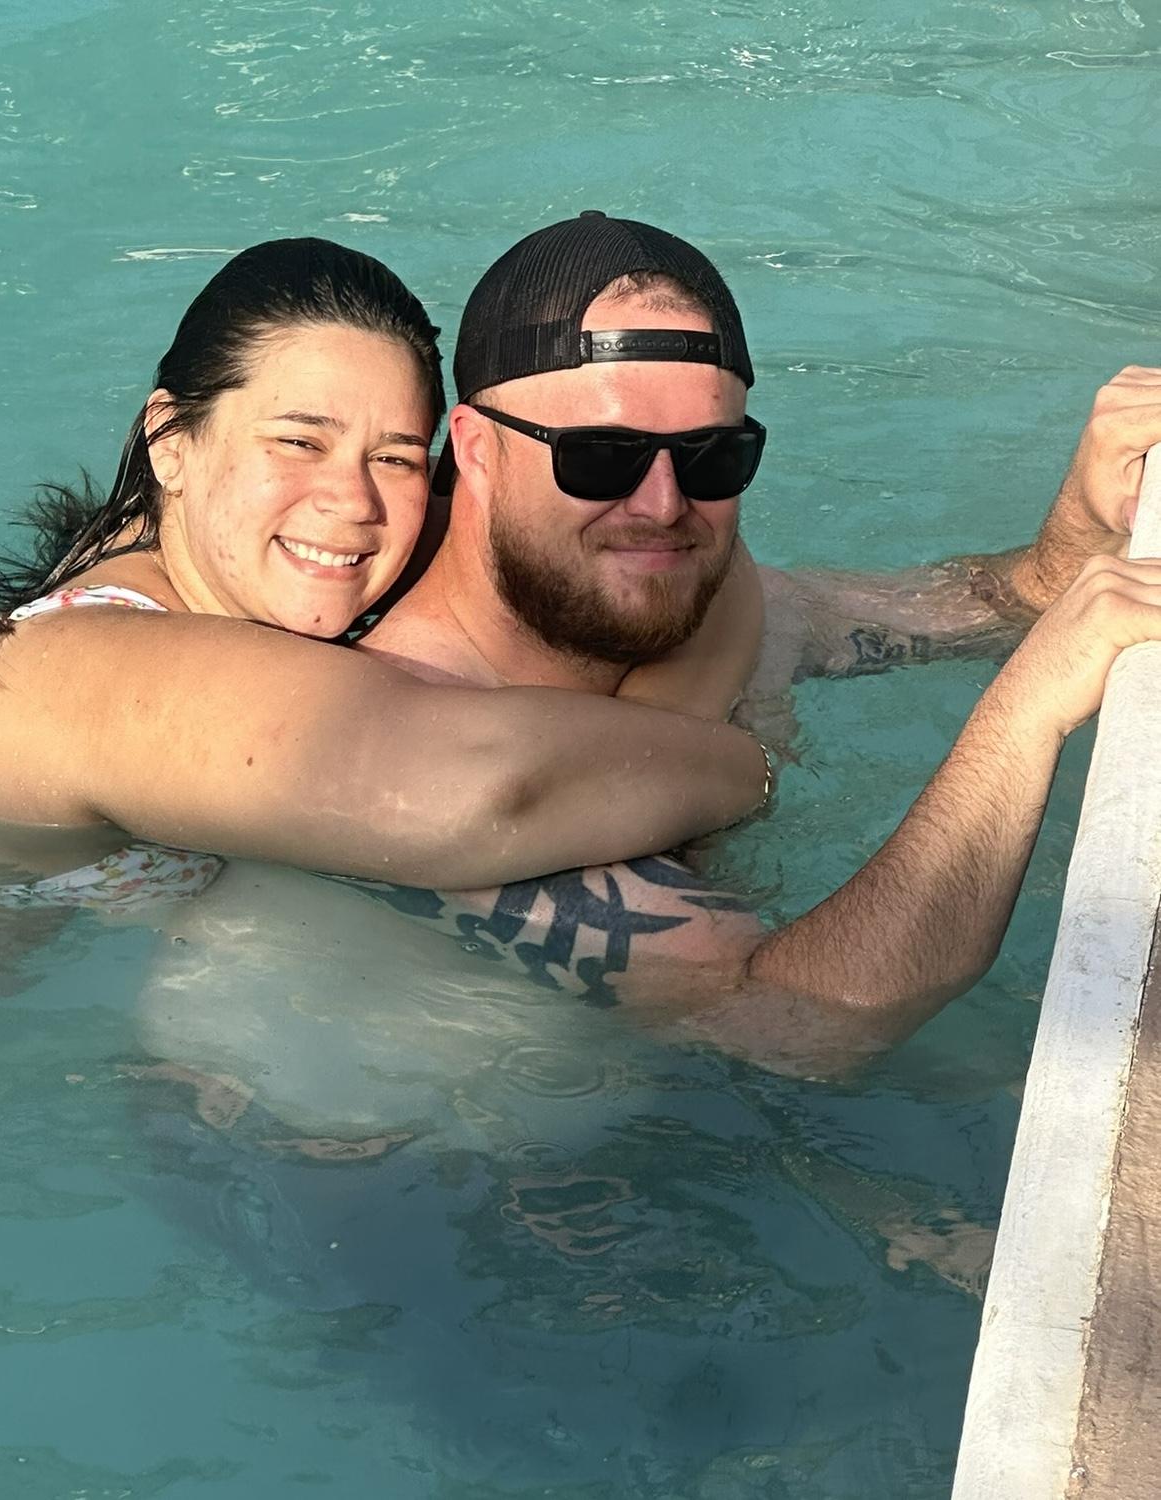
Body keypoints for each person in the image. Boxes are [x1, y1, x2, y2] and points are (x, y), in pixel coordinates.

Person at [0, 237, 776, 1013]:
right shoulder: (96, 670)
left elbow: (668, 561)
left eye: (394, 457)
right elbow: (467, 795)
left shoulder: (228, 561)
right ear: (172, 440)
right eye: (298, 441)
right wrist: (741, 755)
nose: (352, 502)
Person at [163, 212, 1161, 1079]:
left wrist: (1081, 524)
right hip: (390, 1179)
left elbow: (977, 609)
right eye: (601, 457)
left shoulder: (693, 599)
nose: (663, 505)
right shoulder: (411, 749)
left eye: (713, 456)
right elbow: (803, 1030)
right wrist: (1024, 718)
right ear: (474, 450)